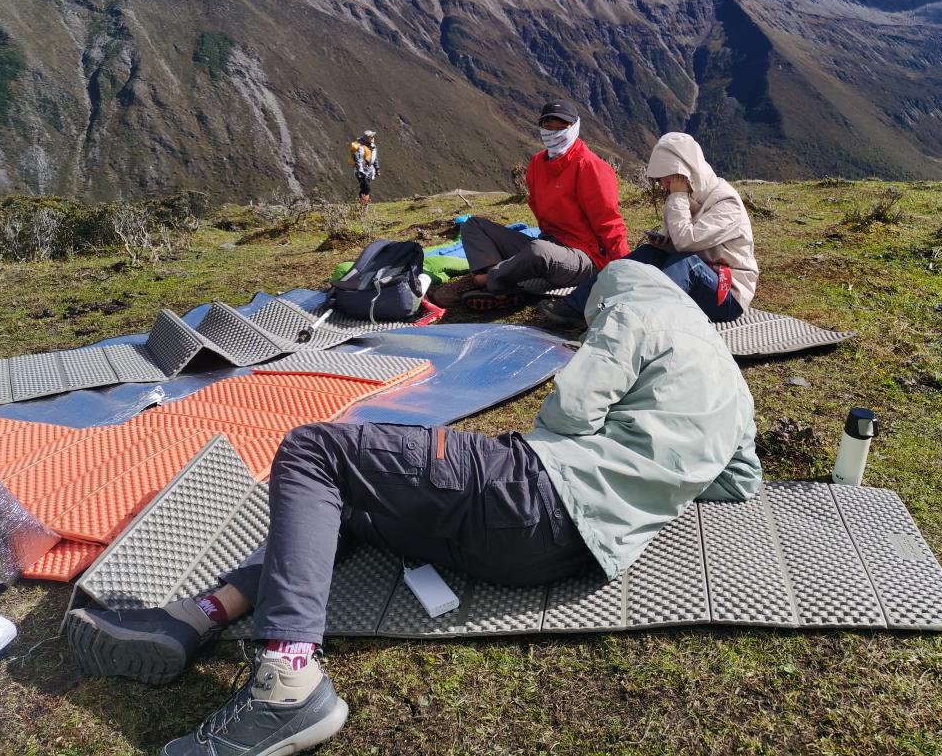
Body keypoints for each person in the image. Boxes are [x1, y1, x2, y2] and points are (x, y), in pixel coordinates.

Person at [67, 261, 761, 756]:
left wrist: (579, 421)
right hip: (564, 551)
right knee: (354, 502)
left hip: (530, 491)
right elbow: (740, 482)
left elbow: (574, 410)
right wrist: (650, 465)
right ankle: (198, 616)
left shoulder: (637, 306)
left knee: (314, 453)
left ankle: (287, 678)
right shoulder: (730, 382)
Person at [540, 132, 758, 328]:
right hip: (697, 281)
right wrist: (667, 243)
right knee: (646, 254)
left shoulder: (726, 203)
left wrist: (678, 197)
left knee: (686, 263)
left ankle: (642, 323)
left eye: (667, 176)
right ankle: (577, 305)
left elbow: (686, 241)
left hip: (727, 296)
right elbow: (683, 243)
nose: (663, 183)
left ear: (684, 171)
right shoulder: (687, 198)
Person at [433, 100, 629, 311]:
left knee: (538, 251)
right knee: (473, 225)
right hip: (552, 244)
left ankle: (483, 281)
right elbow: (539, 210)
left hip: (585, 258)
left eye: (561, 126)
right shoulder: (537, 164)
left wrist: (627, 268)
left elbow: (609, 221)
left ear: (574, 127)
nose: (553, 132)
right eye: (548, 126)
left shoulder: (590, 166)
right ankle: (500, 284)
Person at [350, 130, 380, 204]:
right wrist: (361, 172)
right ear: (368, 138)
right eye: (371, 137)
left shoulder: (372, 146)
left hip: (369, 171)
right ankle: (363, 206)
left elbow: (375, 158)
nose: (373, 138)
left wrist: (377, 169)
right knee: (367, 188)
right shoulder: (360, 148)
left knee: (364, 189)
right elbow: (359, 161)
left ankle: (361, 206)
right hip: (361, 172)